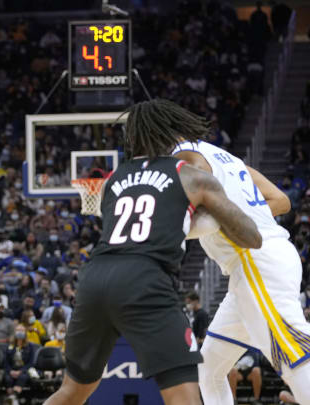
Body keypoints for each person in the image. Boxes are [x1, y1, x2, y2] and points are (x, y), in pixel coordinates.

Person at [44, 99, 263, 405]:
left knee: (73, 391)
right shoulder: (192, 176)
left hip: (94, 278)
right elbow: (252, 237)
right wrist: (208, 216)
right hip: (146, 280)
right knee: (183, 397)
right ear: (175, 134)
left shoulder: (112, 181)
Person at [173, 116, 310, 404]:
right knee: (208, 367)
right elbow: (282, 200)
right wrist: (234, 217)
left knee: (293, 351)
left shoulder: (184, 160)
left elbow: (181, 218)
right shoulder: (231, 162)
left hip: (257, 259)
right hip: (258, 264)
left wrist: (227, 220)